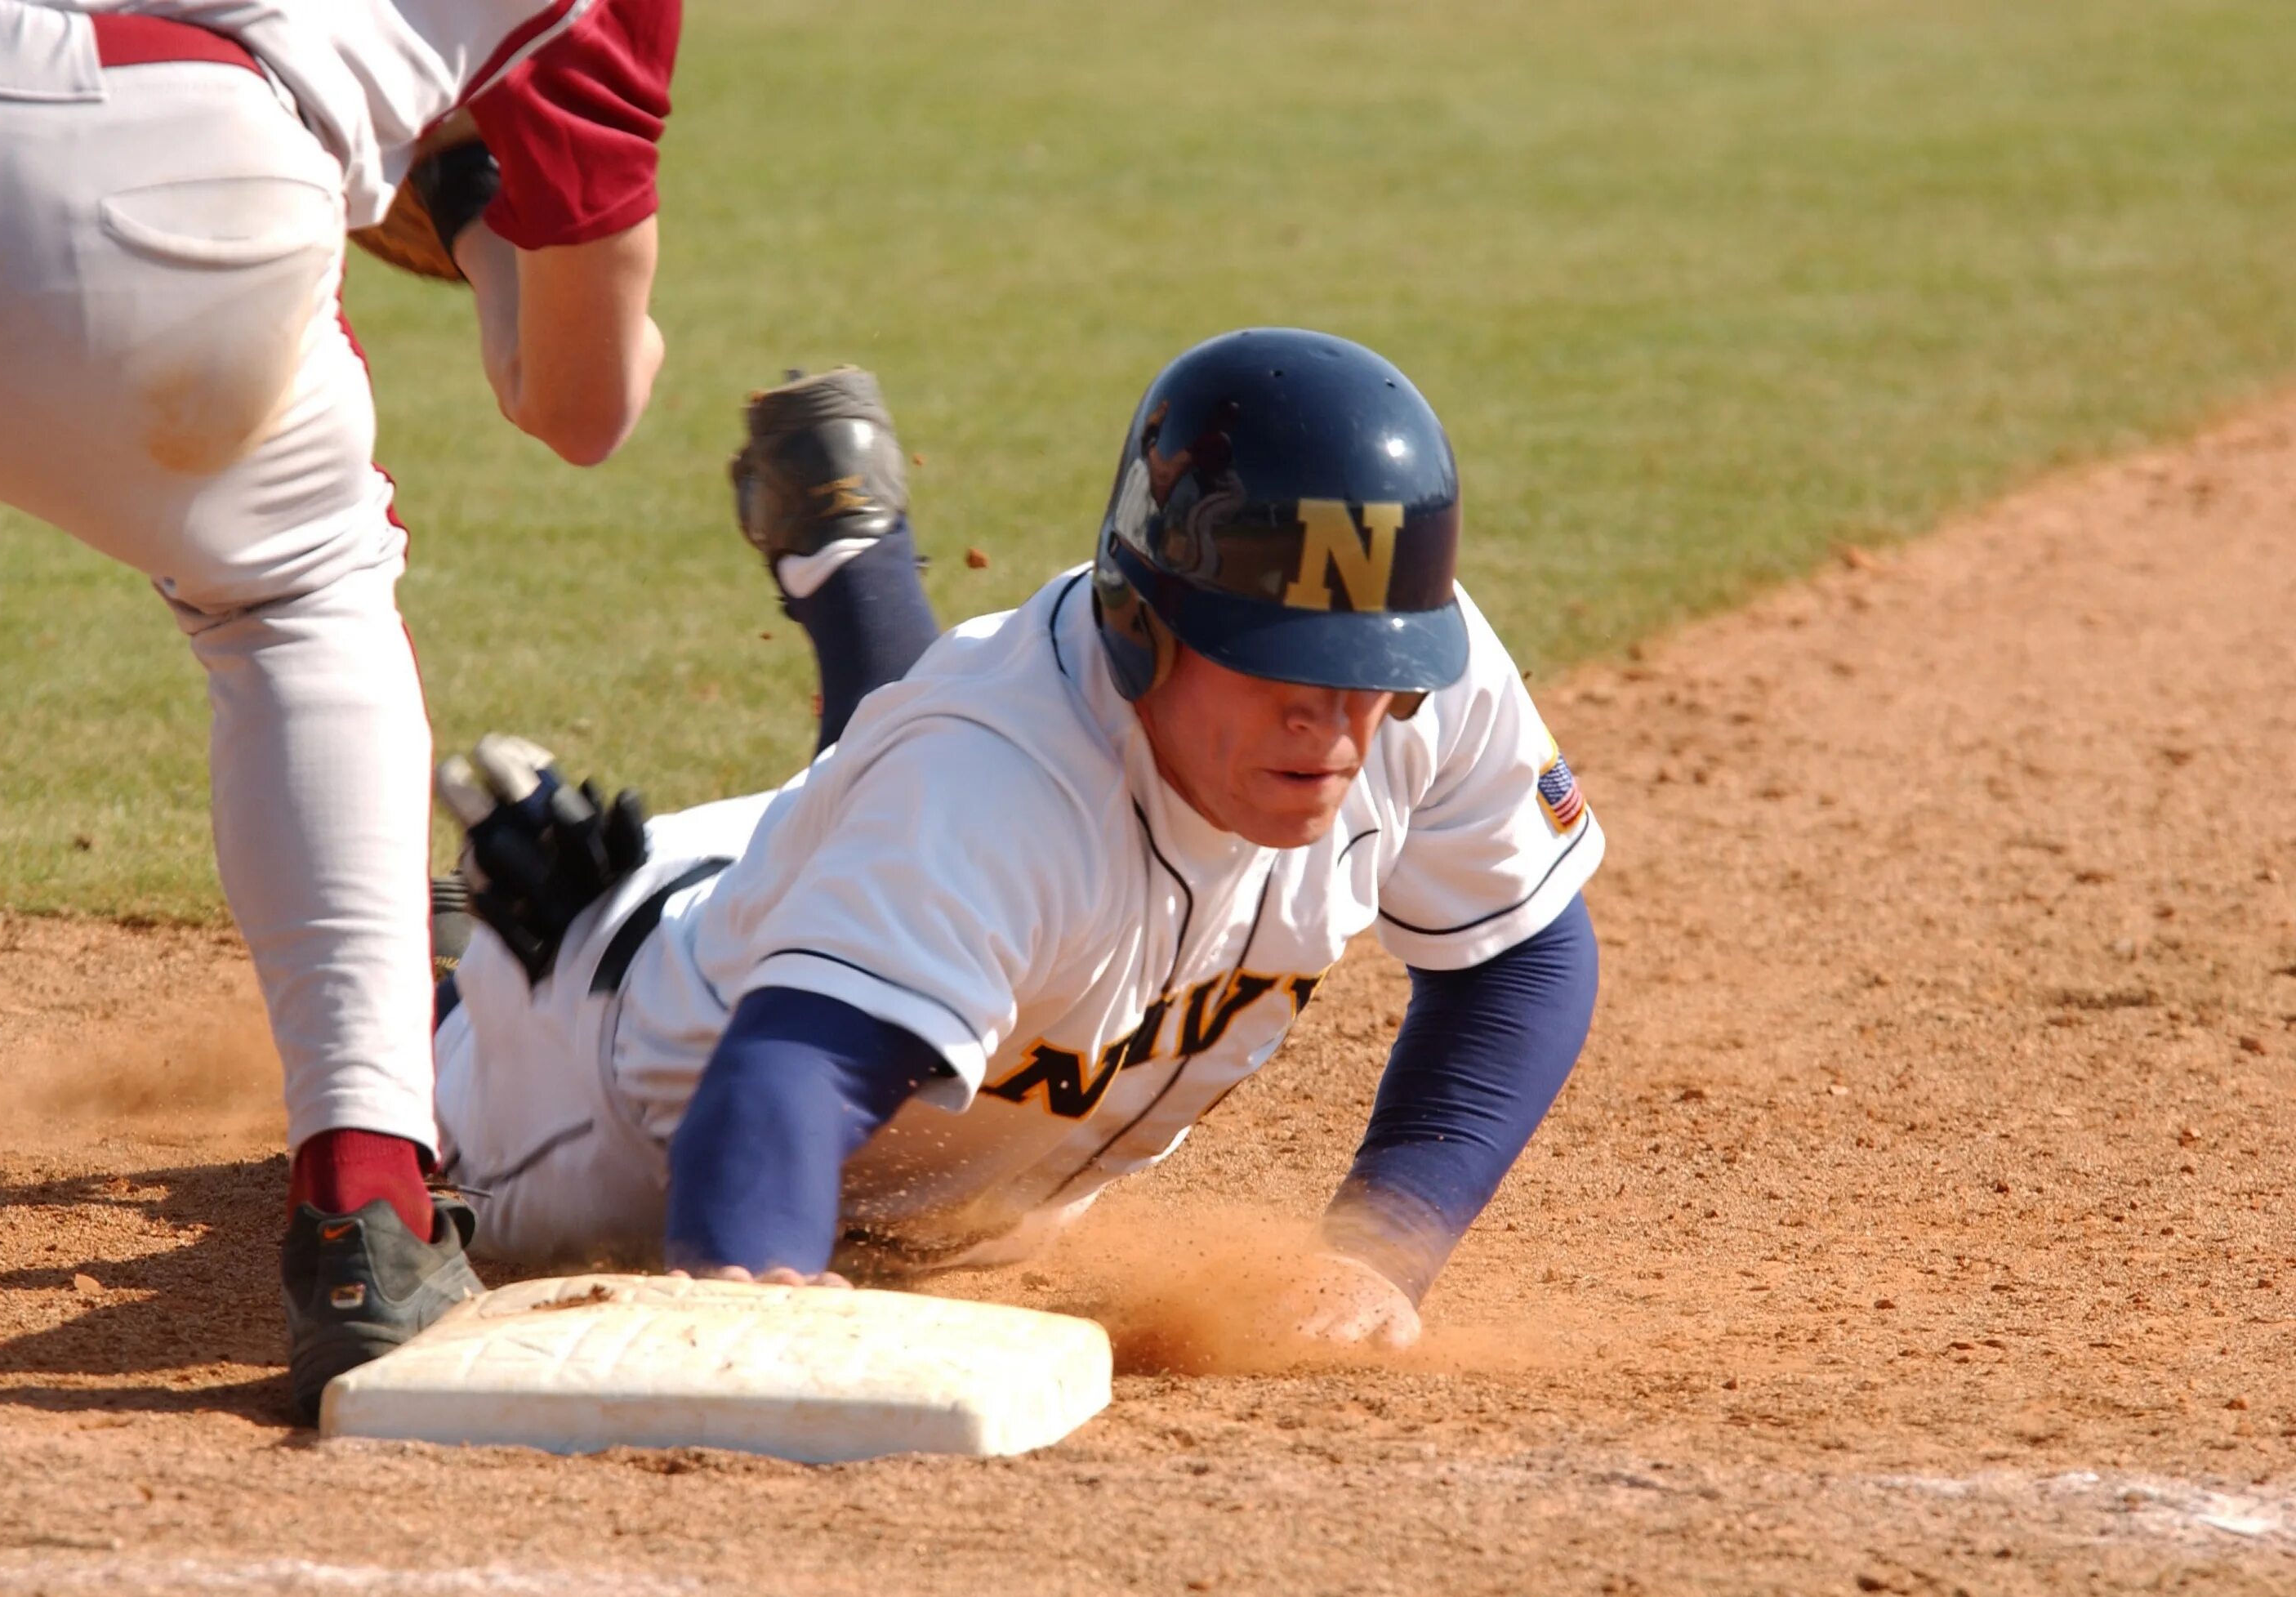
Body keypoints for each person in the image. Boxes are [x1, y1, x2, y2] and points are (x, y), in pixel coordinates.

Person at [431, 331, 1604, 1349]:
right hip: (620, 1107)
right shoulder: (989, 789)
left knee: (939, 858)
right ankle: (467, 974)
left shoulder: (1421, 673)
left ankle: (854, 571)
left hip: (911, 913)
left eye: (1369, 676)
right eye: (1281, 665)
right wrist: (759, 1315)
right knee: (415, 1114)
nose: (1333, 720)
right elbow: (782, 1082)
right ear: (1141, 626)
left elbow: (1525, 956)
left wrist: (1379, 1250)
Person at [0, 0, 682, 1416]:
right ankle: (369, 1207)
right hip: (195, 189)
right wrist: (479, 211)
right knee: (301, 602)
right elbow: (578, 406)